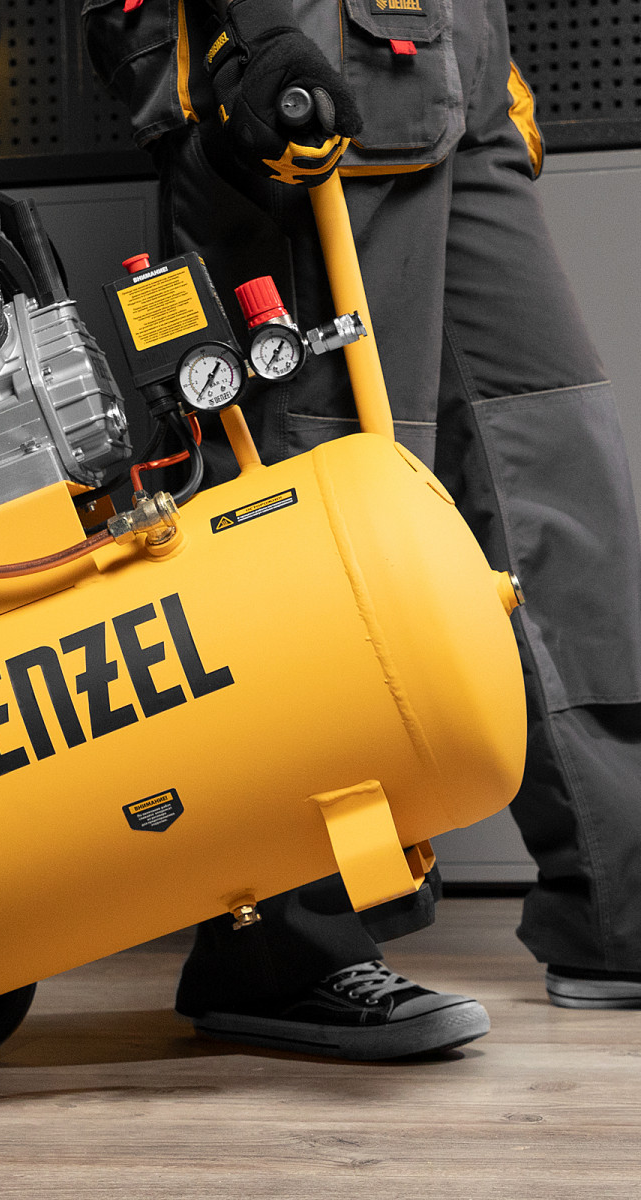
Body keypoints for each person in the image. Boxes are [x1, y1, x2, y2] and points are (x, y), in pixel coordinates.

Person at [81, 0, 641, 1058]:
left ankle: (622, 909)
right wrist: (219, 59)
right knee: (317, 506)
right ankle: (281, 945)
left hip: (454, 66)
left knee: (557, 475)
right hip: (294, 53)